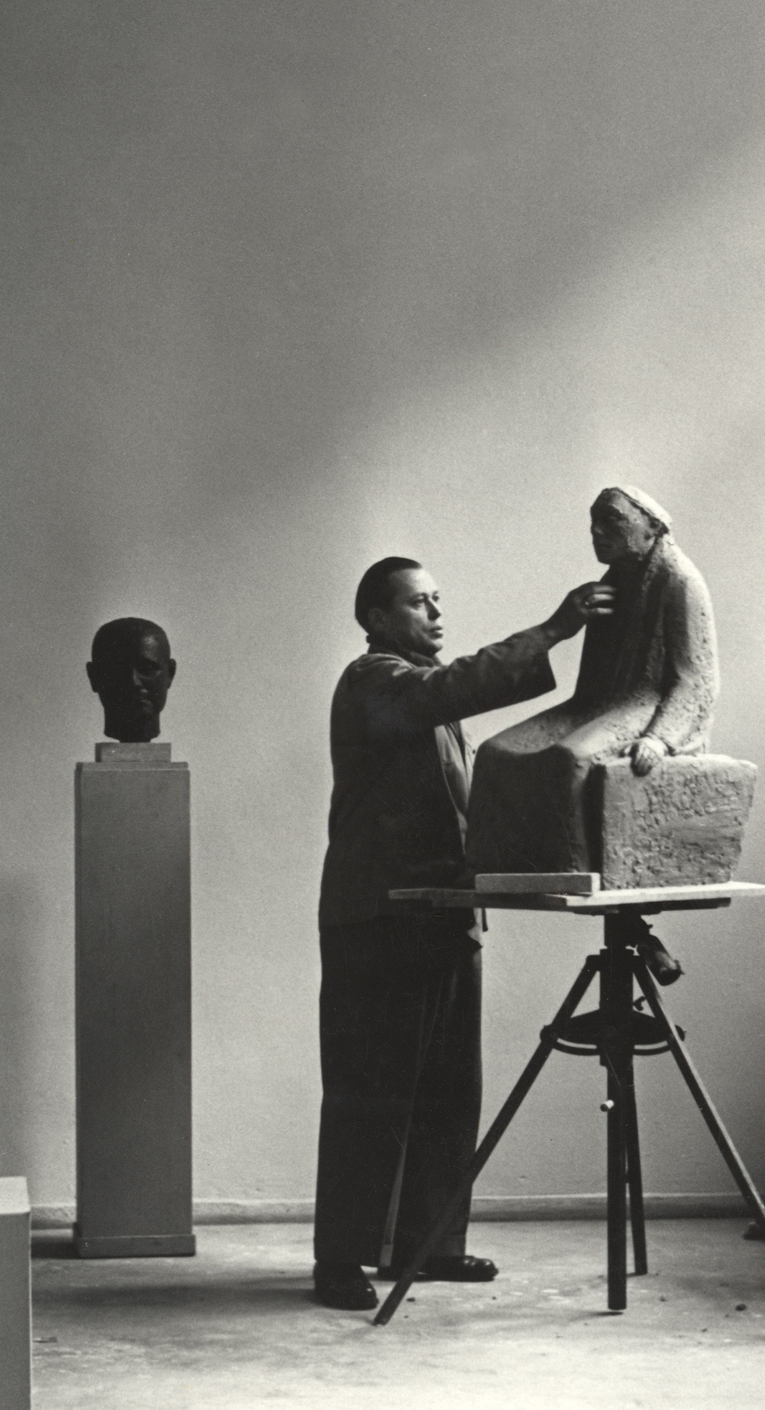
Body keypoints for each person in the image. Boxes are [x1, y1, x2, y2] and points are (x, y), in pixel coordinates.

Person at [313, 555, 610, 1309]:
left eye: (439, 599)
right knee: (368, 1095)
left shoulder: (426, 702)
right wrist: (555, 627)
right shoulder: (374, 682)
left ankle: (429, 1245)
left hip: (440, 916)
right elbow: (450, 685)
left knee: (449, 1091)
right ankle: (340, 1261)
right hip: (379, 920)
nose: (436, 614)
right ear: (377, 619)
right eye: (419, 603)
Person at [466, 486, 719, 874]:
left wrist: (660, 737)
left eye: (611, 520)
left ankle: (572, 867)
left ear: (651, 527)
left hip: (647, 707)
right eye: (593, 523)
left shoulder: (679, 581)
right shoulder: (611, 583)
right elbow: (592, 686)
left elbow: (696, 680)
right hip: (600, 703)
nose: (597, 531)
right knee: (494, 752)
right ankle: (495, 865)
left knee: (570, 758)